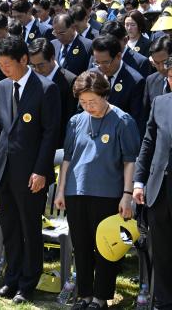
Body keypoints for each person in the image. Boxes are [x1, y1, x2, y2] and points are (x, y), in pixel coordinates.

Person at [55, 71, 140, 309]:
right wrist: (61, 191)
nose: (88, 106)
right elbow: (68, 159)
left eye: (92, 101)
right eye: (83, 102)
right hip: (76, 191)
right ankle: (84, 294)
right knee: (81, 246)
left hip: (108, 194)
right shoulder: (75, 121)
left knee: (104, 245)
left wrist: (127, 195)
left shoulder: (123, 121)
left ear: (105, 94)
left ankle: (101, 297)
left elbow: (130, 160)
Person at [0, 36, 60, 304]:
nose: (4, 69)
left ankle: (28, 283)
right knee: (10, 229)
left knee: (30, 229)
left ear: (24, 60)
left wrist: (41, 171)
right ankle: (11, 278)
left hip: (31, 174)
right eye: (0, 64)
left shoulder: (46, 88)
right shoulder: (2, 87)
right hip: (4, 170)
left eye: (8, 64)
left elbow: (50, 134)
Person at [133, 58, 172, 309]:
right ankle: (163, 301)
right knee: (161, 250)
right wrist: (138, 181)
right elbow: (148, 144)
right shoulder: (160, 103)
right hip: (159, 188)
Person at [91, 35, 145, 135]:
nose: (101, 67)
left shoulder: (135, 81)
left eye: (106, 62)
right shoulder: (92, 75)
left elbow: (136, 121)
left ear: (119, 56)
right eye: (97, 62)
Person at [28, 38, 78, 147]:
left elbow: (70, 118)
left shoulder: (69, 81)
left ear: (52, 58)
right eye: (33, 65)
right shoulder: (31, 77)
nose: (36, 69)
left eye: (41, 65)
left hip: (57, 144)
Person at [143, 36, 172, 116]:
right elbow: (146, 114)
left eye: (165, 62)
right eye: (157, 63)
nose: (161, 68)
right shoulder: (151, 81)